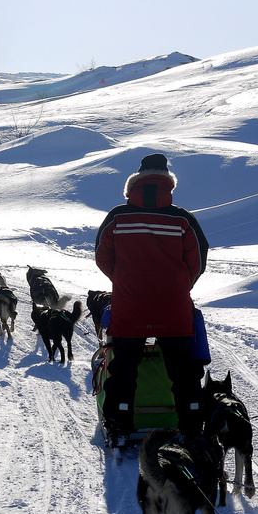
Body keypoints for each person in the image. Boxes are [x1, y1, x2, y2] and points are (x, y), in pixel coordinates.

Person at [94, 152, 209, 447]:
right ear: (168, 183)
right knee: (183, 373)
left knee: (123, 370)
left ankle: (119, 425)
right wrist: (181, 285)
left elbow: (102, 257)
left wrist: (123, 281)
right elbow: (198, 260)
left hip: (129, 307)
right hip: (173, 309)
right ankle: (192, 427)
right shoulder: (182, 219)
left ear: (135, 183)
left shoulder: (117, 217)